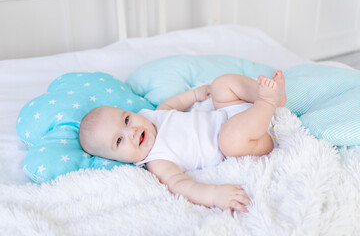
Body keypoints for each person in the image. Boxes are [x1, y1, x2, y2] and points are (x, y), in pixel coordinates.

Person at [78, 70, 286, 213]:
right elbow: (182, 185)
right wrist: (214, 195)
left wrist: (195, 94)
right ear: (117, 159)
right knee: (228, 140)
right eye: (119, 140)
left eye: (126, 119)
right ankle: (267, 102)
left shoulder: (154, 116)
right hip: (247, 142)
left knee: (222, 84)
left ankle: (276, 98)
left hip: (230, 111)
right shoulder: (158, 161)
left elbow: (173, 103)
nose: (131, 131)